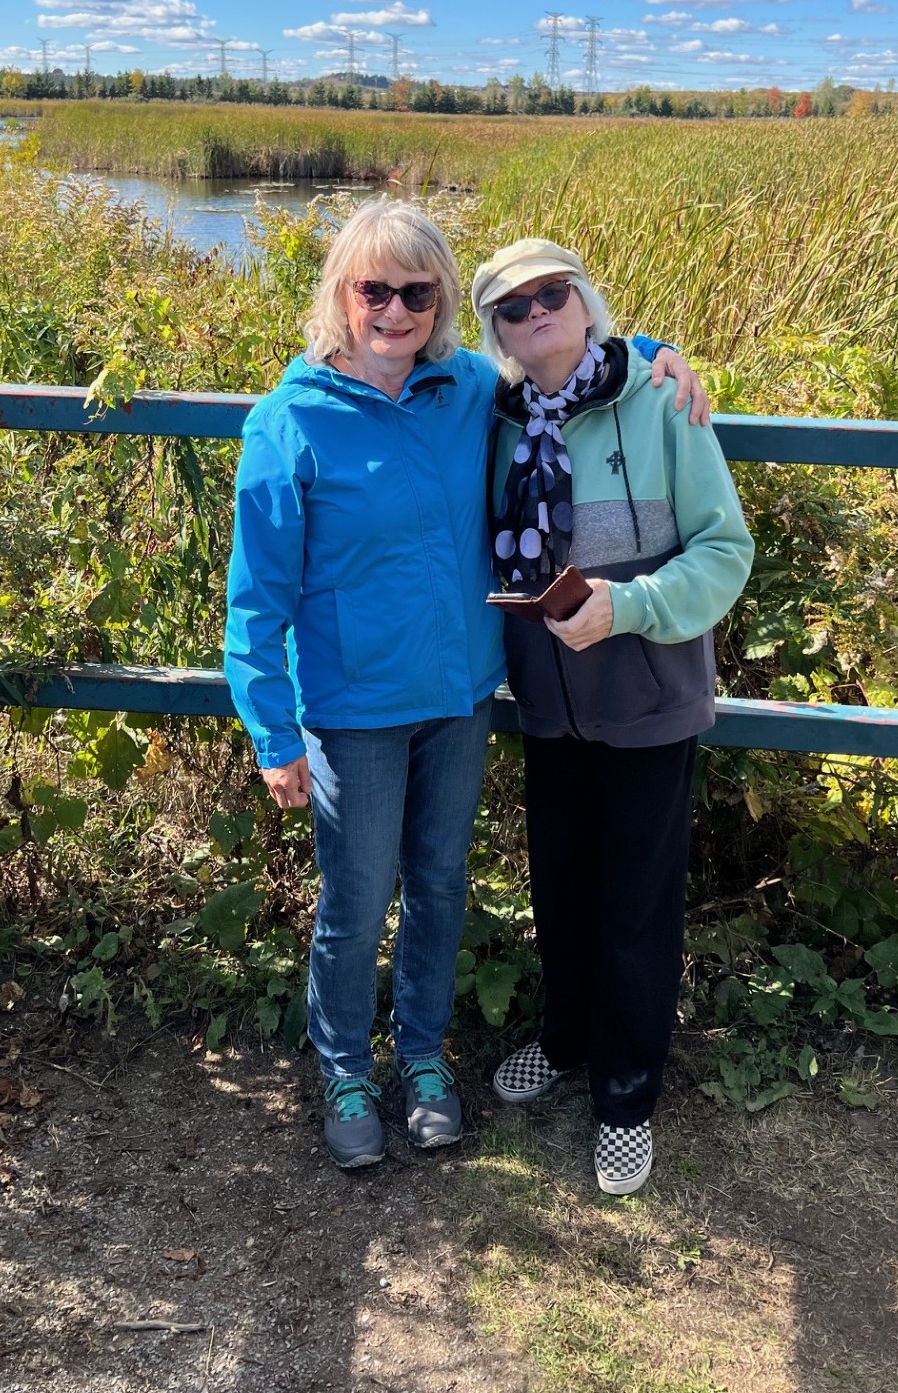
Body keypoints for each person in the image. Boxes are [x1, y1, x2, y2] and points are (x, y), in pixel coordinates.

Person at [223, 200, 707, 1171]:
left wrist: (658, 351)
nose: (395, 310)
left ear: (441, 304)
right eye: (376, 289)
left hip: (461, 699)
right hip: (353, 708)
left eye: (417, 291)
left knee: (440, 885)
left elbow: (567, 354)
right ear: (342, 296)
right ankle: (346, 1069)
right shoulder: (289, 422)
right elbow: (256, 598)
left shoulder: (467, 391)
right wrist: (271, 732)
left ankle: (424, 1058)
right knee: (356, 900)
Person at [472, 237, 754, 1197]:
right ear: (497, 333)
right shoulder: (494, 414)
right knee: (560, 884)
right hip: (547, 705)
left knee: (637, 902)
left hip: (646, 699)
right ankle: (563, 1039)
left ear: (587, 303)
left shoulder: (663, 400)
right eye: (513, 307)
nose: (536, 312)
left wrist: (628, 608)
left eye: (553, 293)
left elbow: (725, 550)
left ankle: (627, 1096)